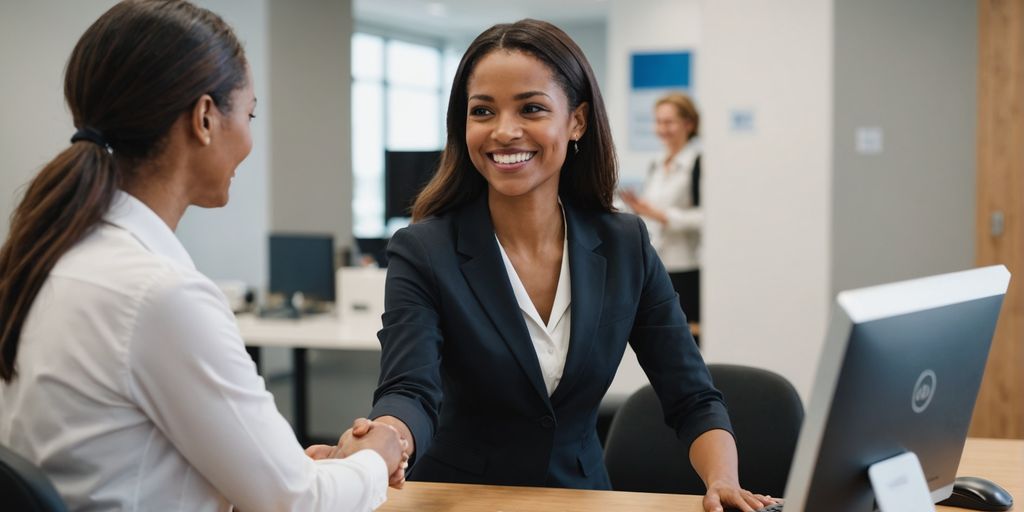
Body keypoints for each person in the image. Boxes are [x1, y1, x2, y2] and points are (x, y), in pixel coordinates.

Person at [355, 19, 777, 512]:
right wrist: (380, 442)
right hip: (459, 499)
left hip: (581, 499)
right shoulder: (423, 249)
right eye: (483, 111)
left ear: (576, 121)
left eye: (531, 108)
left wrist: (723, 481)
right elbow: (410, 390)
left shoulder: (625, 244)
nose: (505, 131)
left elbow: (692, 395)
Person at [0, 2, 405, 510]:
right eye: (249, 113)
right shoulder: (159, 296)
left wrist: (289, 467)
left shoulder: (53, 257)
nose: (251, 139)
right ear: (206, 118)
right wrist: (376, 454)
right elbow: (296, 504)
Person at [620, 92, 704, 327]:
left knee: (686, 335)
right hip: (656, 263)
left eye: (668, 122)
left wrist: (661, 215)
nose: (661, 129)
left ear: (689, 123)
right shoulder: (657, 163)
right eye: (658, 121)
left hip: (686, 268)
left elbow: (707, 218)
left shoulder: (698, 163)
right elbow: (649, 210)